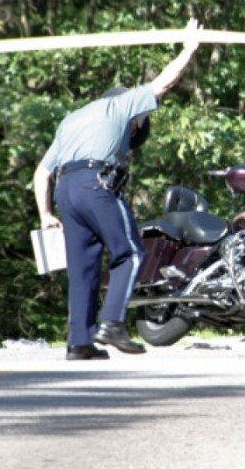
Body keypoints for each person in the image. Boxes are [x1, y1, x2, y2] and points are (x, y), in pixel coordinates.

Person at [34, 19, 201, 360]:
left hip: (65, 192)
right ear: (136, 118)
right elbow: (162, 85)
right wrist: (188, 49)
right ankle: (111, 323)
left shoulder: (72, 119)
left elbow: (41, 173)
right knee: (131, 252)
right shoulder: (122, 105)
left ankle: (79, 343)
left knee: (83, 269)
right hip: (97, 185)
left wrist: (46, 215)